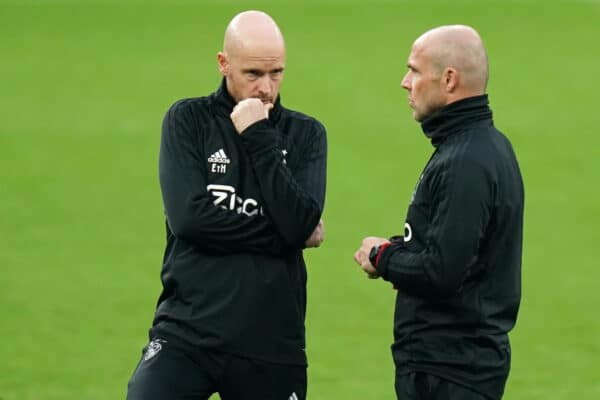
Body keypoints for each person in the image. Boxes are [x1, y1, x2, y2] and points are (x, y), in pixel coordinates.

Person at [126, 10, 327, 400]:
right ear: (224, 64)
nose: (266, 88)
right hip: (186, 332)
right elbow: (189, 219)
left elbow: (300, 222)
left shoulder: (306, 135)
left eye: (277, 73)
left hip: (271, 342)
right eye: (253, 74)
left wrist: (258, 134)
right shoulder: (188, 120)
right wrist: (285, 232)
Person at [353, 25, 524, 400]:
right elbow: (456, 249)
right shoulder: (481, 147)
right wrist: (400, 249)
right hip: (456, 369)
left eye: (414, 70)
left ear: (449, 80)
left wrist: (383, 256)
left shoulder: (465, 161)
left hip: (450, 373)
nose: (404, 82)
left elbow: (441, 272)